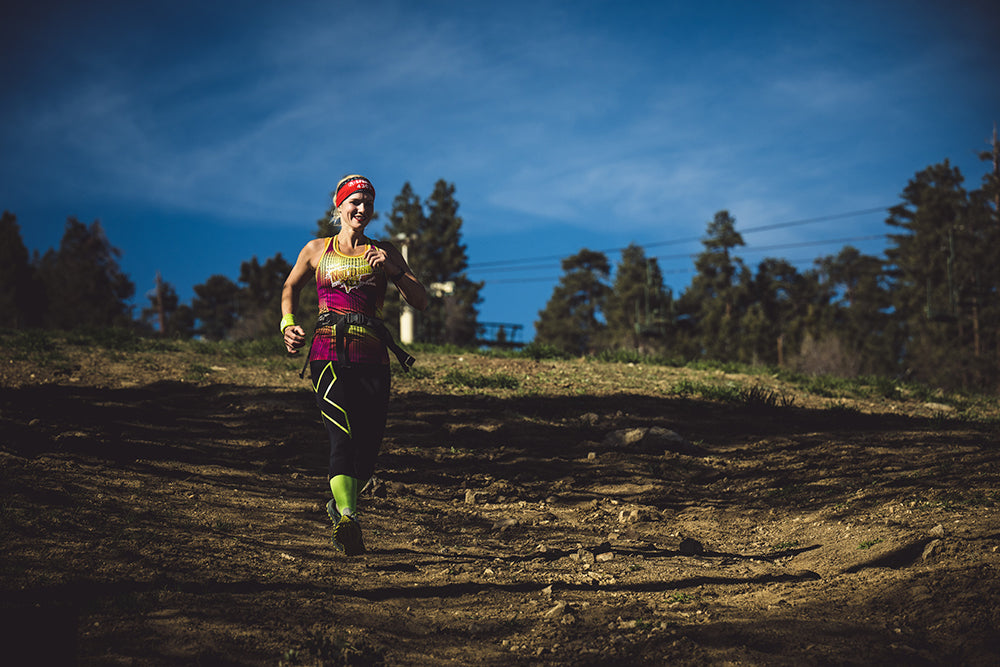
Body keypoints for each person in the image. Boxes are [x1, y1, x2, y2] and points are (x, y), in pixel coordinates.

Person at [280, 174, 428, 556]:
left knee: (368, 448)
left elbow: (421, 300)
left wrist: (393, 270)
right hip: (327, 354)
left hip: (373, 359)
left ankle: (340, 504)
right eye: (354, 202)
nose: (361, 209)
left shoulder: (386, 252)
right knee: (340, 436)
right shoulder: (316, 250)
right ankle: (349, 517)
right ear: (339, 206)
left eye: (367, 203)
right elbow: (290, 287)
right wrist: (288, 324)